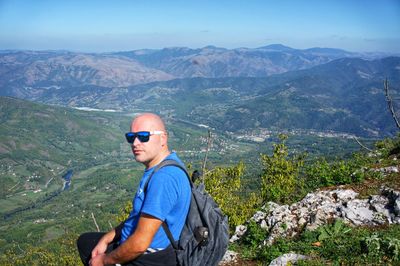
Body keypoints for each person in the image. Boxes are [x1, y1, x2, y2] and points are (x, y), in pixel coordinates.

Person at [77, 113, 191, 266]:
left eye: (143, 136)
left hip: (148, 258)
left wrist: (104, 261)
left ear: (163, 138)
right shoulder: (165, 164)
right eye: (131, 137)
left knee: (88, 251)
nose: (135, 143)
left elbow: (139, 244)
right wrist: (107, 238)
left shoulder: (164, 178)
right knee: (86, 241)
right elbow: (139, 217)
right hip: (146, 248)